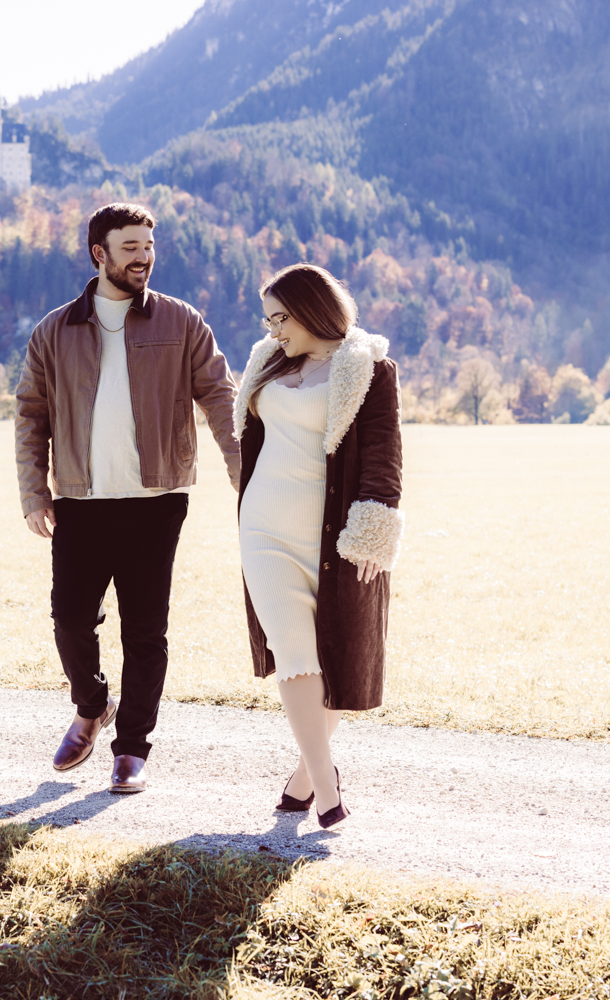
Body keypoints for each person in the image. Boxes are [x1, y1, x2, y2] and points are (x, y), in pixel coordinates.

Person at [15, 203, 241, 793]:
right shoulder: (55, 330)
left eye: (148, 246)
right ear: (100, 254)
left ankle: (132, 749)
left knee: (146, 632)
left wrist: (242, 468)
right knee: (69, 620)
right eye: (131, 247)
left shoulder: (181, 322)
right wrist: (34, 491)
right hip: (80, 501)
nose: (143, 257)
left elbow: (220, 395)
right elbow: (30, 414)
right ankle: (92, 706)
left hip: (155, 501)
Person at [233, 263, 404, 828]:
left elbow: (383, 456)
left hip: (334, 538)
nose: (273, 330)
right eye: (268, 319)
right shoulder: (268, 364)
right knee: (295, 652)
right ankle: (329, 786)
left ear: (312, 309)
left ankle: (305, 776)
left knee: (336, 655)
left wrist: (374, 527)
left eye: (281, 317)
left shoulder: (369, 371)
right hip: (263, 527)